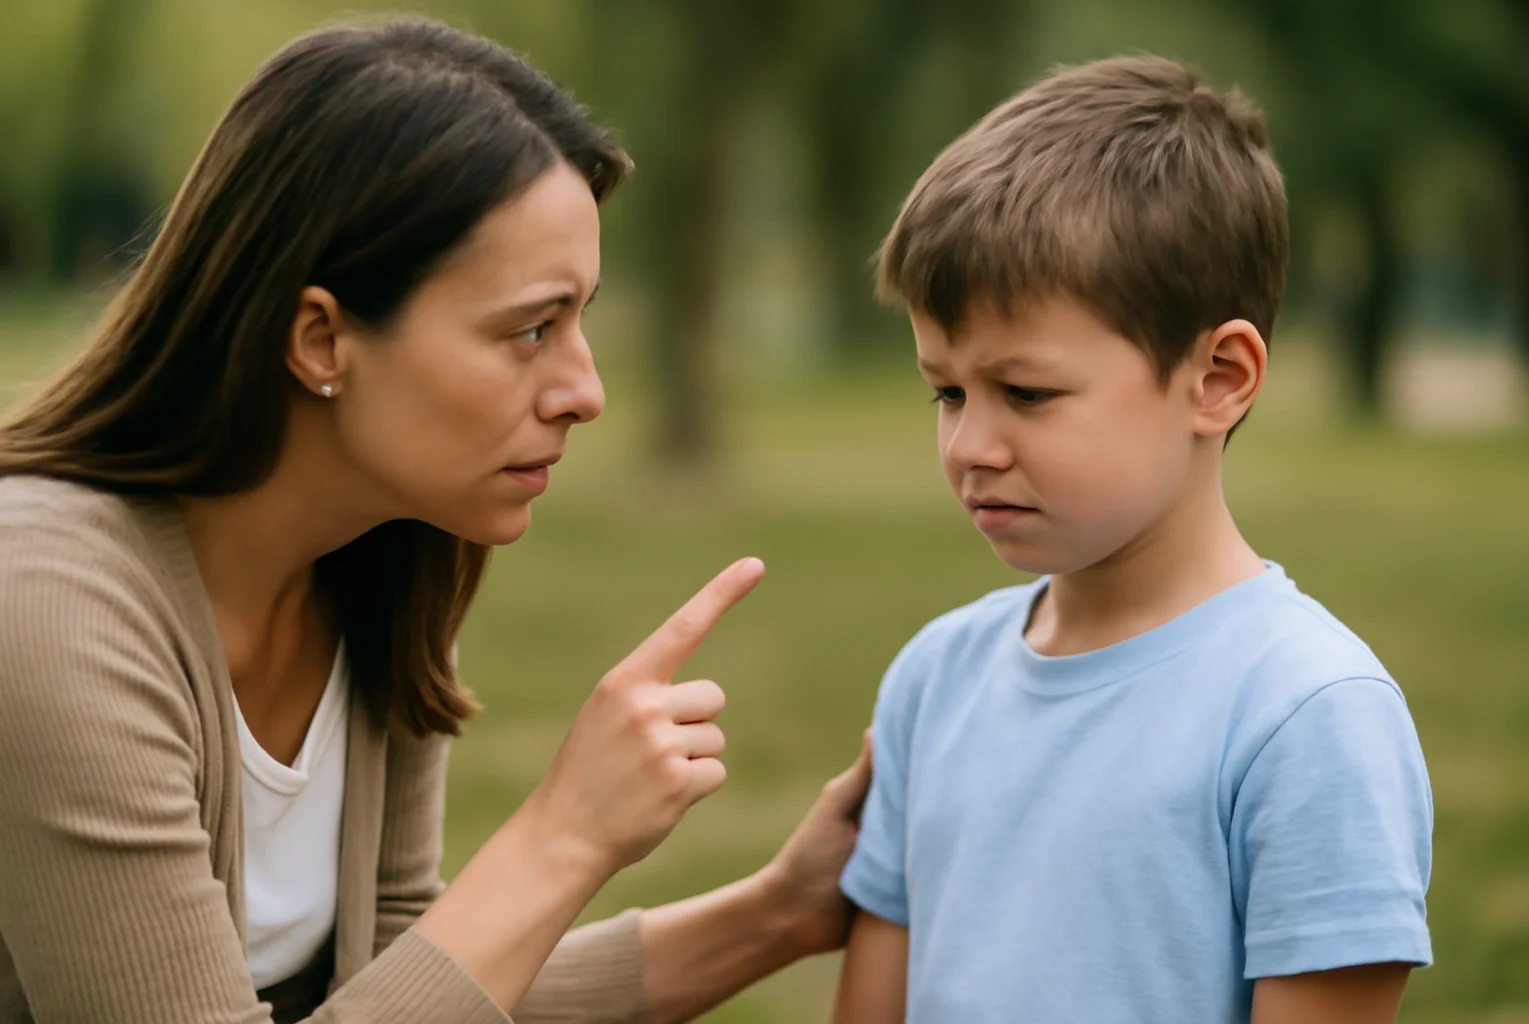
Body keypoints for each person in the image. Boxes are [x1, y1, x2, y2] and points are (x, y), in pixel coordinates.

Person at [0, 18, 871, 1024]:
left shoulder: (382, 559)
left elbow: (423, 984)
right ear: (321, 338)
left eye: (580, 320)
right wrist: (562, 836)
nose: (585, 391)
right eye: (529, 330)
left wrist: (782, 912)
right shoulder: (49, 606)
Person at [831, 56, 1433, 1024]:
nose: (970, 446)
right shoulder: (933, 680)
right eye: (946, 391)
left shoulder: (1307, 716)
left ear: (1219, 378)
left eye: (1026, 393)